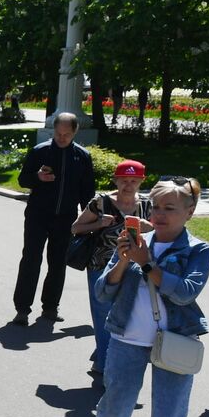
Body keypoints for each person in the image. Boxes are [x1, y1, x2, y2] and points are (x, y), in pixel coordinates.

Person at [84, 177, 209, 417]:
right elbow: (103, 291)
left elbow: (186, 293)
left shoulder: (198, 250)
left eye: (169, 208)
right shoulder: (136, 240)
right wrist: (125, 261)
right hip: (127, 337)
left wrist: (148, 265)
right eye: (155, 207)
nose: (158, 214)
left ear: (189, 212)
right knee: (115, 405)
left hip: (175, 342)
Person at [11, 113, 96, 325]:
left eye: (67, 134)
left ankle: (50, 307)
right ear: (53, 131)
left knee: (58, 263)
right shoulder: (40, 151)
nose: (62, 138)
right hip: (37, 215)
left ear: (74, 132)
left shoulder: (82, 156)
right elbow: (23, 180)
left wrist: (89, 220)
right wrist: (37, 178)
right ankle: (22, 309)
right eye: (58, 133)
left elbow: (87, 192)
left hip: (66, 218)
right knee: (31, 259)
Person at [71, 160, 152, 377]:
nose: (128, 185)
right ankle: (108, 369)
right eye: (124, 180)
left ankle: (103, 354)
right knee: (102, 314)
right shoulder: (100, 202)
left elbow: (161, 235)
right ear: (116, 180)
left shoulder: (147, 206)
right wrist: (98, 224)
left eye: (134, 181)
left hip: (133, 269)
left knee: (124, 316)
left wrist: (150, 228)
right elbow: (76, 228)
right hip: (100, 266)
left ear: (141, 182)